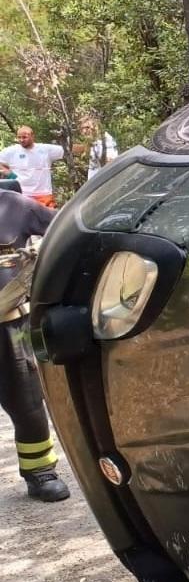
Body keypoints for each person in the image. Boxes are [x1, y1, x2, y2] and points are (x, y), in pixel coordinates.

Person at [0, 188, 69, 501]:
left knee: (28, 402)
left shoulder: (12, 205)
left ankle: (40, 472)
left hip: (13, 325)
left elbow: (66, 226)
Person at [0, 126, 65, 208]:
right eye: (19, 137)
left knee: (48, 219)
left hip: (43, 194)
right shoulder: (11, 151)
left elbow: (67, 150)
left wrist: (86, 147)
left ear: (32, 136)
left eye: (24, 137)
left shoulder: (45, 149)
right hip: (22, 194)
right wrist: (9, 174)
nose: (21, 140)